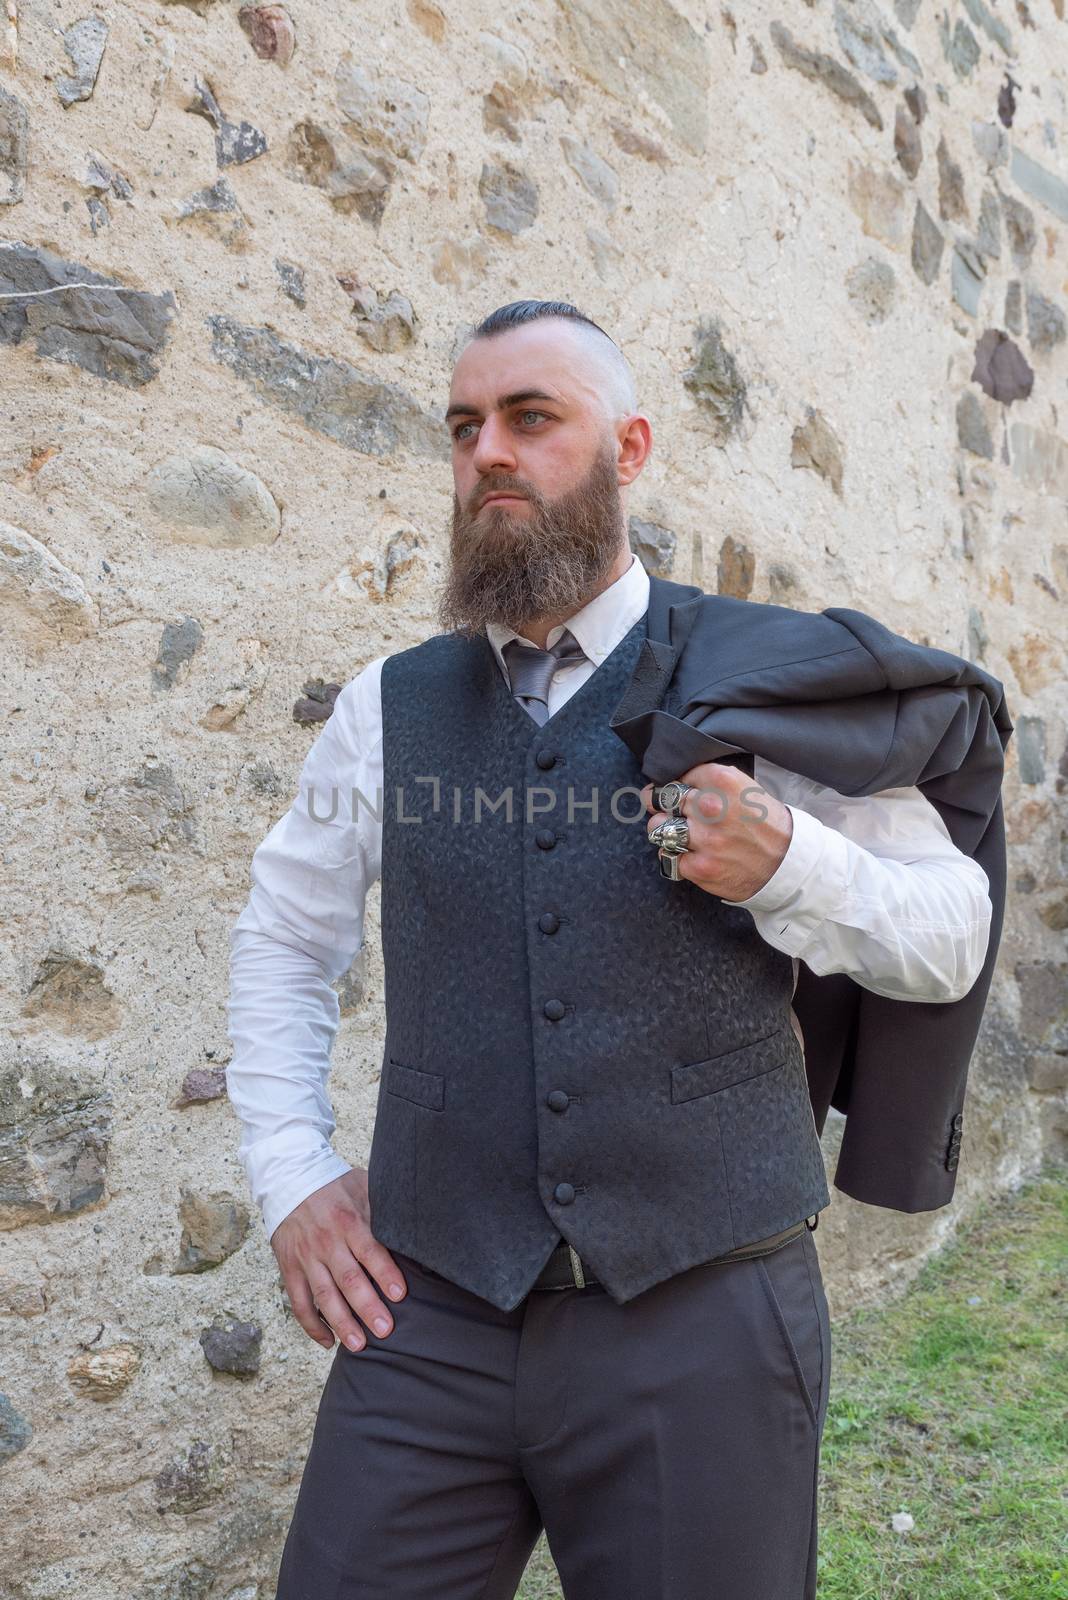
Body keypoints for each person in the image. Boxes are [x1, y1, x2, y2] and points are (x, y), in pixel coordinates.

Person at [226, 300, 994, 1599]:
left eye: (533, 419)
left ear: (627, 447)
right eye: (466, 427)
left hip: (702, 1325)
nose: (491, 455)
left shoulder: (757, 679)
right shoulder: (386, 708)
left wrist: (791, 864)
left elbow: (952, 931)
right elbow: (285, 942)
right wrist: (291, 1174)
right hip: (432, 1322)